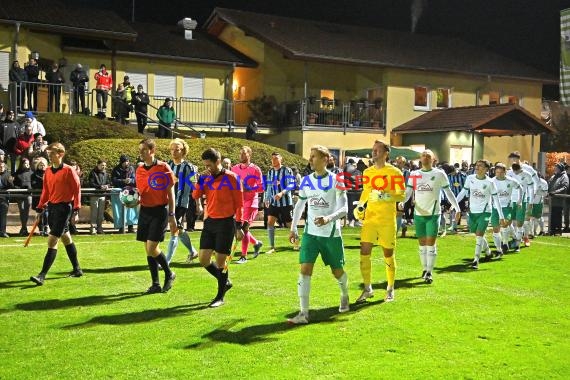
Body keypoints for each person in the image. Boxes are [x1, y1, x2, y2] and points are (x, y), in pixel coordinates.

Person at [287, 145, 349, 325]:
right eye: (310, 156)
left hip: (330, 235)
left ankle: (344, 294)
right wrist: (293, 227)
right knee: (304, 270)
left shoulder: (337, 180)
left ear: (325, 159)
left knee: (337, 272)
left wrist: (328, 218)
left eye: (314, 156)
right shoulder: (306, 180)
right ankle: (303, 313)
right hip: (310, 234)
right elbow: (300, 205)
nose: (311, 159)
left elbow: (345, 209)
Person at [353, 140, 405, 303]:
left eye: (377, 150)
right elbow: (366, 192)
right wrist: (360, 206)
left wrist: (384, 196)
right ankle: (367, 288)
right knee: (364, 252)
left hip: (387, 219)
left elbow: (401, 195)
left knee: (388, 254)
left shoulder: (395, 172)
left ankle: (390, 288)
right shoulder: (367, 172)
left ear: (385, 153)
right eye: (373, 150)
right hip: (370, 218)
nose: (374, 152)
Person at [192, 148, 244, 307]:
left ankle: (220, 296)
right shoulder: (205, 178)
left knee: (221, 261)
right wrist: (197, 183)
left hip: (226, 223)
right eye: (205, 165)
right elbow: (195, 196)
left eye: (210, 165)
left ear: (218, 162)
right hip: (210, 222)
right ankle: (225, 281)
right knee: (203, 259)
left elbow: (239, 204)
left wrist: (239, 226)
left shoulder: (232, 178)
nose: (208, 168)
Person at [400, 149, 460, 284]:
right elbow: (408, 191)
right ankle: (424, 269)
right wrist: (402, 202)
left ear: (433, 159)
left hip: (433, 213)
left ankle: (429, 272)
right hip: (419, 213)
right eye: (423, 155)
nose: (425, 157)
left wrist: (457, 208)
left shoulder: (439, 174)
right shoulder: (415, 174)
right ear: (420, 159)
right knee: (422, 243)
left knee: (431, 243)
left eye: (428, 156)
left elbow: (448, 192)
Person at [30, 143, 83, 285]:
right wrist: (40, 207)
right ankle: (77, 269)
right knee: (66, 237)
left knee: (52, 239)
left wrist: (76, 210)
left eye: (52, 153)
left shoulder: (69, 170)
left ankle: (42, 275)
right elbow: (45, 191)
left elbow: (77, 190)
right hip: (52, 208)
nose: (49, 155)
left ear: (60, 154)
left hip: (65, 208)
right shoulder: (47, 171)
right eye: (48, 153)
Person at [133, 138, 177, 293]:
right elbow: (141, 192)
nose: (141, 153)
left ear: (152, 151)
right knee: (148, 249)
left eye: (144, 150)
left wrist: (172, 214)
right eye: (140, 150)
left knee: (152, 248)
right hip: (145, 211)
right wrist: (133, 201)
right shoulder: (139, 169)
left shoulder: (163, 167)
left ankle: (169, 273)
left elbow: (171, 193)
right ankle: (156, 284)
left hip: (160, 211)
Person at [456, 160, 504, 269]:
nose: (477, 167)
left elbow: (496, 200)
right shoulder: (470, 178)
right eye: (476, 165)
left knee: (479, 236)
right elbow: (463, 192)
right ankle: (488, 252)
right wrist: (454, 204)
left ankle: (475, 260)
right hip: (473, 212)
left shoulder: (490, 182)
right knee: (478, 234)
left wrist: (501, 216)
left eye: (480, 166)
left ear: (486, 169)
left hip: (485, 212)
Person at [165, 138, 199, 264]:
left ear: (183, 151)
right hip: (168, 202)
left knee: (174, 229)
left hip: (181, 203)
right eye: (172, 149)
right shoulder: (167, 165)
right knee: (179, 230)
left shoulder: (189, 167)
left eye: (177, 149)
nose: (174, 152)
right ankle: (192, 251)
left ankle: (166, 261)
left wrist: (198, 204)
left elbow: (196, 186)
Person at [231, 146, 264, 263]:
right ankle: (256, 243)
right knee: (239, 228)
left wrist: (248, 188)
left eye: (244, 153)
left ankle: (243, 256)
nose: (241, 155)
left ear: (249, 155)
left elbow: (261, 188)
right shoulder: (234, 169)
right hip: (239, 204)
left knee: (244, 228)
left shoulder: (255, 169)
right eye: (240, 153)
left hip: (251, 203)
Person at [263, 152, 294, 254]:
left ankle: (296, 242)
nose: (273, 160)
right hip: (274, 203)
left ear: (281, 159)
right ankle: (272, 247)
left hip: (285, 202)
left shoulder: (287, 170)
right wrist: (266, 198)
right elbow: (268, 187)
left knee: (289, 223)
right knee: (270, 222)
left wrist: (282, 193)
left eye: (276, 158)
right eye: (272, 159)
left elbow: (291, 185)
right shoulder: (270, 172)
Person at [490, 163, 522, 257]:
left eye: (501, 172)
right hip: (495, 208)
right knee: (496, 229)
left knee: (505, 224)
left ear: (505, 172)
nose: (499, 174)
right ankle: (501, 248)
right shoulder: (491, 181)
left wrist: (519, 201)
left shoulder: (511, 181)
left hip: (507, 207)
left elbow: (520, 188)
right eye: (497, 172)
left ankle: (505, 244)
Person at [508, 151, 539, 246]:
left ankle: (526, 237)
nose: (512, 161)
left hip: (526, 197)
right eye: (511, 159)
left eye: (513, 159)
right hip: (513, 199)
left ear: (518, 158)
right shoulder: (510, 170)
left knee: (525, 220)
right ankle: (517, 238)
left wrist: (532, 197)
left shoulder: (528, 169)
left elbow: (536, 182)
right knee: (513, 221)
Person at [111, 155, 138, 233]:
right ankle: (121, 226)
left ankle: (131, 226)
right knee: (119, 209)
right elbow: (114, 180)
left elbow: (135, 179)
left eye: (128, 161)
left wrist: (130, 181)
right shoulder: (116, 170)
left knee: (131, 208)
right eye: (125, 161)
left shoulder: (131, 169)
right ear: (122, 162)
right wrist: (123, 181)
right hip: (120, 191)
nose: (127, 163)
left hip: (130, 190)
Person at [88, 159, 111, 234]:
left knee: (101, 213)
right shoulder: (93, 172)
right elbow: (91, 183)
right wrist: (100, 186)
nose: (103, 167)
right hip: (94, 194)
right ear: (98, 165)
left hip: (102, 195)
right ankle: (93, 227)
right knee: (94, 212)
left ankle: (99, 227)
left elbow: (109, 182)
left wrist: (107, 186)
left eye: (104, 165)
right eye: (102, 165)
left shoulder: (106, 174)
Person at [547, 163, 569, 235]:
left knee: (557, 215)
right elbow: (549, 184)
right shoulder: (553, 176)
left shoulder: (564, 177)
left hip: (559, 200)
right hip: (552, 200)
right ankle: (552, 230)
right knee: (552, 215)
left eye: (556, 168)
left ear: (560, 169)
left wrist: (555, 193)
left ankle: (558, 231)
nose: (555, 169)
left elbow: (565, 187)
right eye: (555, 168)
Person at [13, 158, 33, 236]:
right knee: (22, 210)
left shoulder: (32, 173)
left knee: (26, 211)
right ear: (22, 164)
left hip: (29, 194)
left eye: (28, 163)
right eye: (25, 163)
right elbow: (13, 184)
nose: (27, 165)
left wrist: (30, 188)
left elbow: (34, 183)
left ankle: (24, 228)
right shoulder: (17, 174)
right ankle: (23, 227)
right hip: (20, 195)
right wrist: (19, 188)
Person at [448, 163, 467, 232]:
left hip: (463, 197)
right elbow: (450, 187)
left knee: (465, 212)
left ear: (455, 170)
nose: (452, 174)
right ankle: (454, 226)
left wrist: (467, 197)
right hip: (454, 196)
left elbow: (467, 186)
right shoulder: (449, 176)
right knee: (453, 211)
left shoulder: (463, 175)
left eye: (453, 173)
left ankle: (470, 226)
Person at [31, 157, 48, 236]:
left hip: (47, 197)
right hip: (38, 197)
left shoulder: (49, 173)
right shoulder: (34, 175)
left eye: (44, 165)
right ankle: (41, 229)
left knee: (47, 213)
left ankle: (46, 227)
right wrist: (42, 182)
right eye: (41, 165)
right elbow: (34, 185)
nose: (42, 166)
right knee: (39, 214)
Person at [0, 161, 14, 238]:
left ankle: (3, 231)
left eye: (2, 167)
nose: (1, 168)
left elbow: (12, 186)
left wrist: (10, 181)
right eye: (0, 167)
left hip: (4, 198)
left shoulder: (8, 175)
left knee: (3, 216)